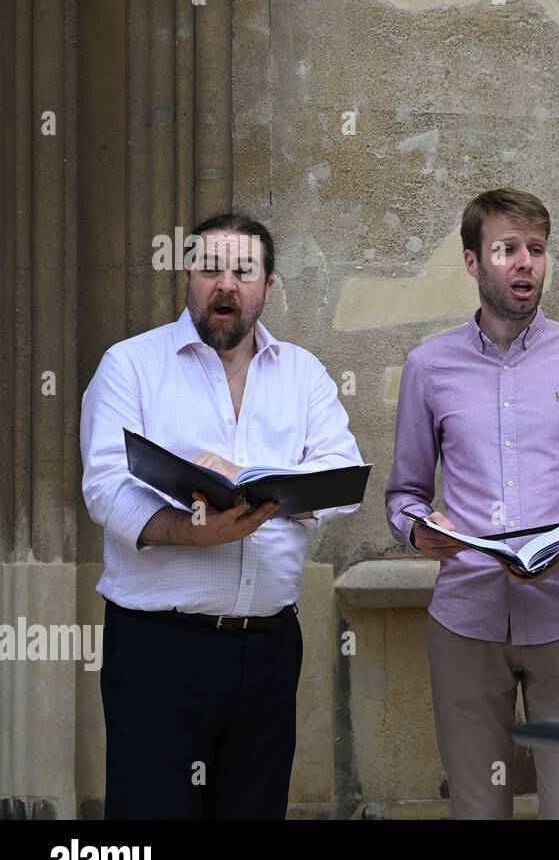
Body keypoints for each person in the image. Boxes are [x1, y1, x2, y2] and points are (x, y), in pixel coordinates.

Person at [80, 212, 363, 818]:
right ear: (188, 275)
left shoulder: (304, 375)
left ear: (268, 285)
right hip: (160, 648)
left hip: (266, 648)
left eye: (243, 270)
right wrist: (189, 529)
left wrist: (256, 486)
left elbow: (343, 478)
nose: (225, 284)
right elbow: (106, 486)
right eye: (210, 268)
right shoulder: (130, 365)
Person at [385, 188, 559, 819]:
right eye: (507, 249)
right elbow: (404, 495)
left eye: (536, 249)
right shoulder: (428, 366)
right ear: (474, 263)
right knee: (478, 810)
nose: (525, 262)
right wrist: (419, 532)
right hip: (466, 621)